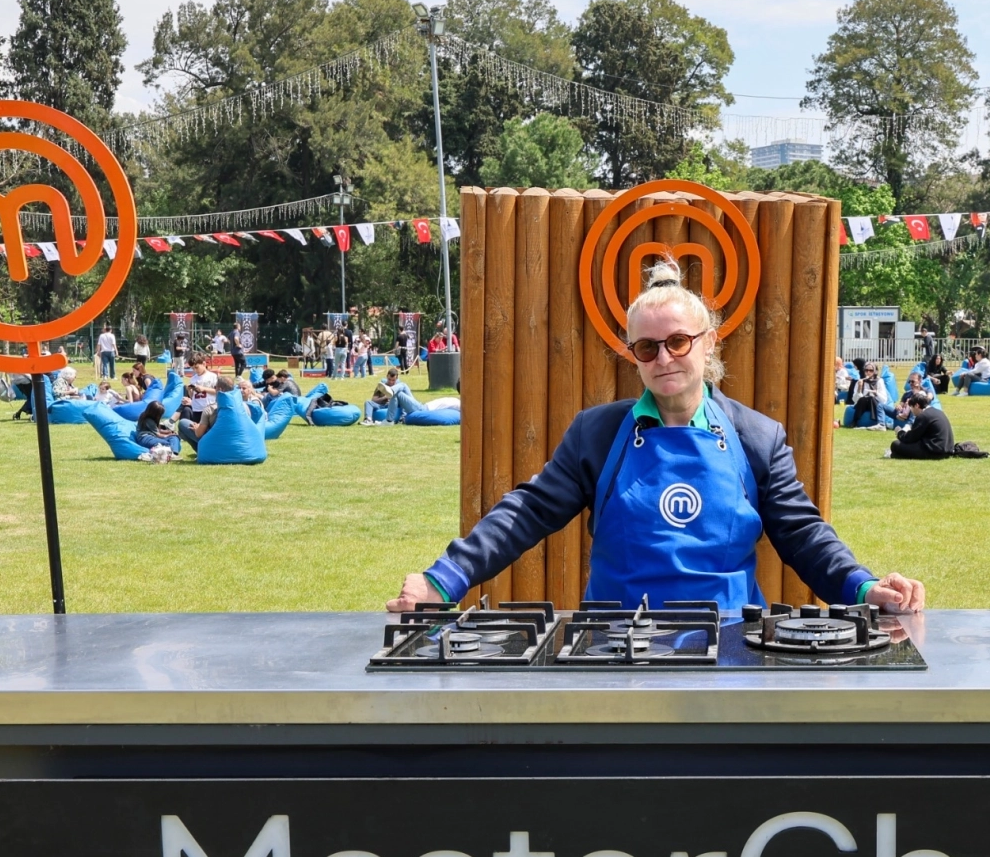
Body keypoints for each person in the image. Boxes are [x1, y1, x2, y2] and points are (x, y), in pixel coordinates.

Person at [388, 257, 925, 615]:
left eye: (678, 341)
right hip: (614, 649)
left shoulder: (757, 437)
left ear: (708, 343)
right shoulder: (598, 433)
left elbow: (802, 534)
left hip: (732, 651)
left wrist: (863, 586)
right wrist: (445, 578)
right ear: (633, 356)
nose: (664, 357)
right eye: (647, 347)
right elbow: (526, 513)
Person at [887, 392, 953, 459]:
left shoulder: (923, 416)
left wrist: (900, 432)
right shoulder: (938, 412)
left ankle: (895, 455)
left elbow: (910, 438)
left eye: (911, 408)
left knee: (895, 444)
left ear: (916, 405)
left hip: (934, 451)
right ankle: (896, 455)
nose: (912, 412)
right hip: (946, 449)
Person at [178, 375, 233, 455]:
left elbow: (198, 434)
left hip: (216, 445)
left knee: (183, 423)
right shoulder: (243, 407)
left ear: (220, 389)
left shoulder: (210, 409)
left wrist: (197, 428)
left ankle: (202, 452)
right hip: (234, 446)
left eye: (215, 387)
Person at [846, 361, 889, 428]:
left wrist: (876, 393)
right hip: (862, 404)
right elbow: (855, 400)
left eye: (871, 370)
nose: (868, 372)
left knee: (871, 398)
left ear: (875, 371)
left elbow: (884, 400)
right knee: (864, 398)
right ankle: (855, 421)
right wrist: (859, 388)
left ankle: (880, 423)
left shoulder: (879, 381)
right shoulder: (860, 381)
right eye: (866, 370)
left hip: (875, 404)